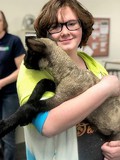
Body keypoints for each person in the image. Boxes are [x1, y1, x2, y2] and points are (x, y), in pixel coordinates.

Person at [17, 0, 120, 160]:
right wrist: (106, 88)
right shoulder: (33, 70)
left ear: (82, 27)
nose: (65, 32)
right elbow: (48, 125)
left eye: (71, 23)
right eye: (55, 26)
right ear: (46, 33)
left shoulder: (93, 64)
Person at [0, 10, 26, 160]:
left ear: (4, 23)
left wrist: (2, 82)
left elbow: (21, 70)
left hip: (9, 94)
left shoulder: (13, 41)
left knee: (7, 135)